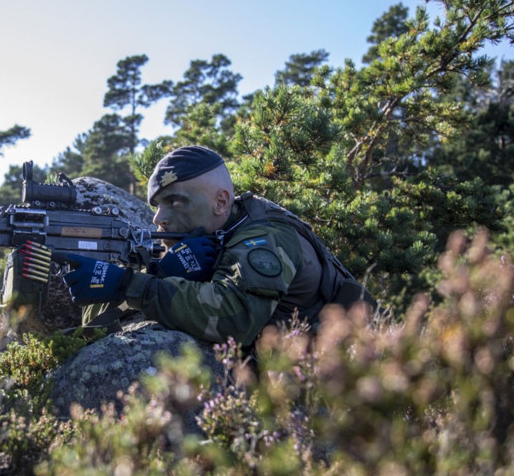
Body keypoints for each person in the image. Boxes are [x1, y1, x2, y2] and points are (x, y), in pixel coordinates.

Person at [58, 145, 374, 350]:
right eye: (156, 205)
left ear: (221, 201)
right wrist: (159, 272)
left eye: (175, 201)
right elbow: (103, 324)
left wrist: (128, 284)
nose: (159, 218)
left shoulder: (265, 238)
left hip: (349, 385)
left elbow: (231, 319)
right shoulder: (198, 239)